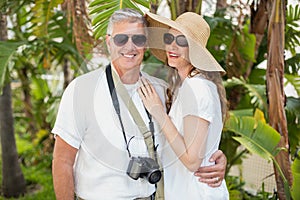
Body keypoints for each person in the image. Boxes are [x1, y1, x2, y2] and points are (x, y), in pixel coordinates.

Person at [51, 8, 227, 200]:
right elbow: (62, 161)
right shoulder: (81, 90)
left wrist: (213, 158)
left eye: (138, 39)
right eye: (121, 39)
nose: (130, 47)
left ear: (146, 45)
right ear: (109, 42)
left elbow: (191, 138)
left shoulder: (162, 90)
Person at [138, 12, 229, 199]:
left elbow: (193, 161)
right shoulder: (191, 85)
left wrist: (159, 113)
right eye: (169, 38)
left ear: (194, 50)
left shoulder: (197, 87)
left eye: (182, 41)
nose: (172, 46)